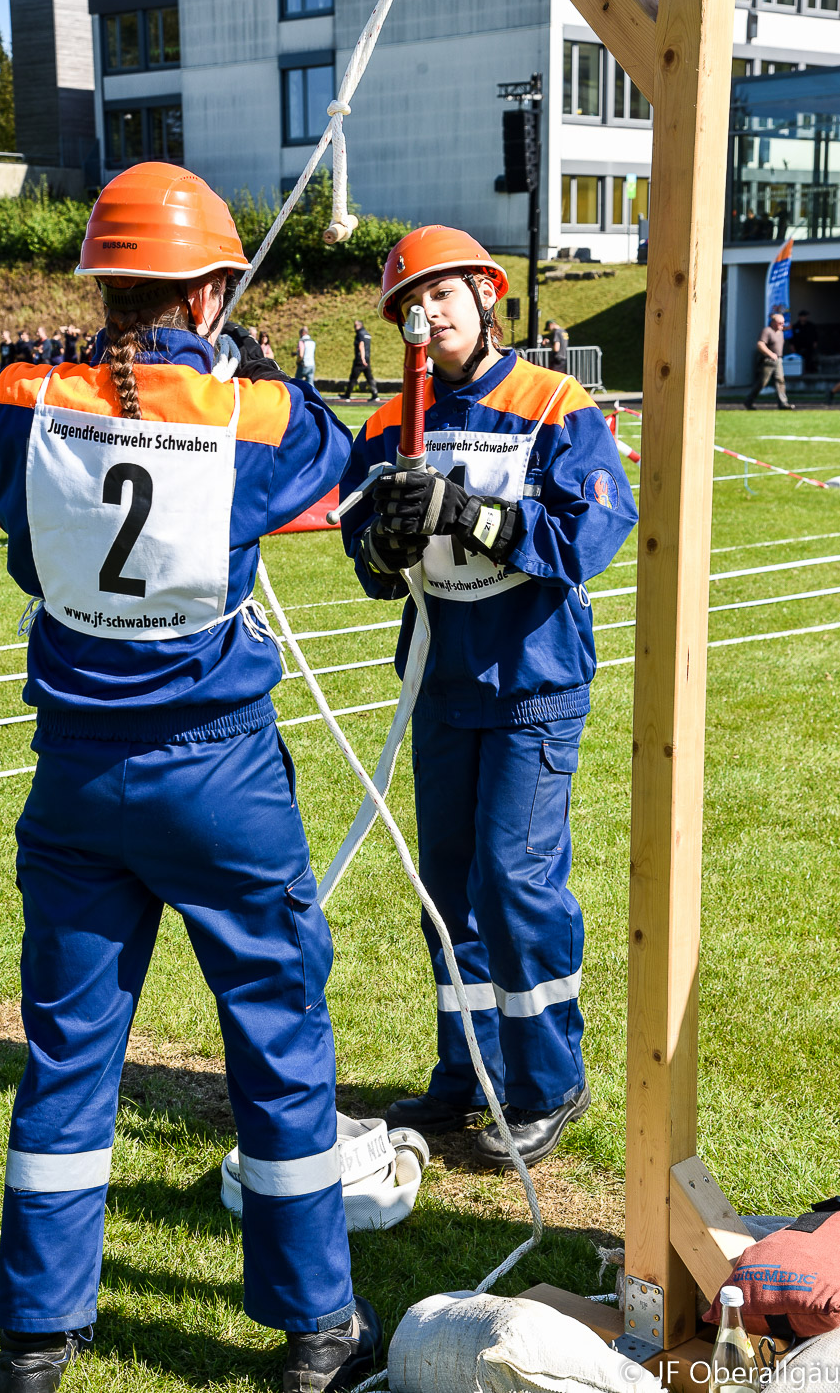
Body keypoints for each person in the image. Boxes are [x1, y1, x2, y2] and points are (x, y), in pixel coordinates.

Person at [0, 162, 381, 1393]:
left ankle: (36, 1340)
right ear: (205, 288)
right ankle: (315, 1335)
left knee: (68, 1057)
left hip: (74, 774)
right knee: (278, 1043)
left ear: (101, 280)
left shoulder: (21, 393)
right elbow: (327, 455)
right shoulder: (243, 407)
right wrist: (229, 361)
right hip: (218, 772)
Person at [340, 226, 637, 1167]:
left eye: (440, 295)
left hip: (531, 681)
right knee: (447, 895)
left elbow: (591, 532)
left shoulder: (551, 401)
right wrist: (381, 551)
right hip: (441, 681)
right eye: (408, 305)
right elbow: (366, 556)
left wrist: (470, 515)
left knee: (513, 886)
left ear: (483, 292)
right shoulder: (392, 423)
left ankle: (546, 1080)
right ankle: (466, 1073)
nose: (426, 315)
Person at [746, 312, 794, 409]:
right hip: (768, 360)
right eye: (780, 323)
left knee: (780, 380)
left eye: (783, 323)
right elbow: (760, 344)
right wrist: (770, 354)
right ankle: (749, 401)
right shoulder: (767, 331)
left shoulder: (780, 332)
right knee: (762, 382)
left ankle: (783, 403)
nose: (782, 325)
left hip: (778, 360)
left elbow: (786, 329)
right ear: (773, 323)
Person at [341, 320, 378, 401]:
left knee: (353, 377)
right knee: (369, 378)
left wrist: (362, 358)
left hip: (360, 359)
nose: (354, 327)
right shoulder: (367, 334)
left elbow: (361, 345)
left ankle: (347, 395)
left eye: (355, 325)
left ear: (359, 325)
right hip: (367, 359)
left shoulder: (360, 334)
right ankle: (375, 394)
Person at [790, 309, 818, 374]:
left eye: (805, 316)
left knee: (809, 359)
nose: (804, 317)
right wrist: (792, 345)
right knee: (799, 359)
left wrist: (815, 343)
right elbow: (792, 337)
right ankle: (799, 371)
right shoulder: (795, 326)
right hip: (798, 347)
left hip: (809, 346)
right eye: (803, 316)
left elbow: (815, 335)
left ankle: (809, 371)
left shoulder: (811, 325)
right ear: (800, 317)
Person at [296, 324, 318, 390]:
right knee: (311, 384)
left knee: (297, 382)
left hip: (304, 365)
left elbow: (301, 354)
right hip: (312, 364)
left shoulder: (302, 341)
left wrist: (298, 361)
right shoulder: (312, 342)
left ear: (302, 333)